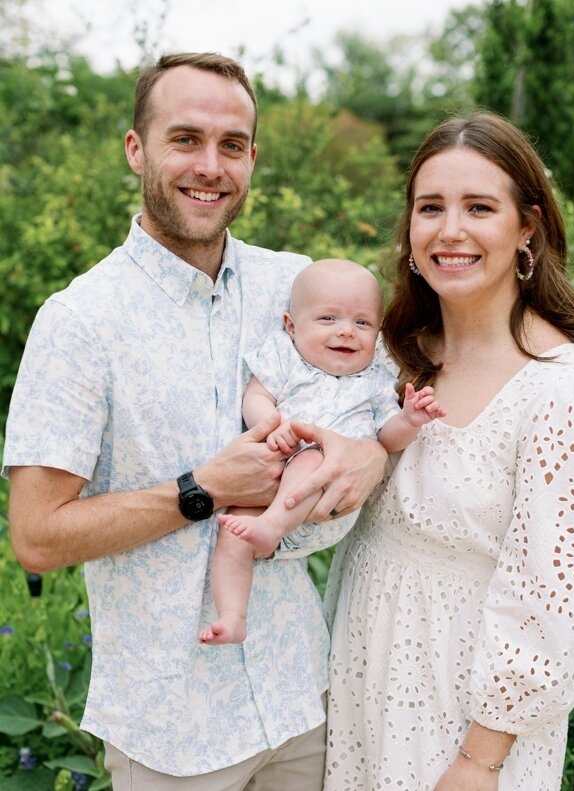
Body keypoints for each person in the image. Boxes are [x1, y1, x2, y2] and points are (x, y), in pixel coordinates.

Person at [2, 53, 389, 790]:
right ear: (136, 149)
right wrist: (200, 488)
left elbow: (387, 399)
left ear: (252, 158)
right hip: (171, 734)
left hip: (301, 695)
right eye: (185, 139)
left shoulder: (300, 286)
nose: (210, 165)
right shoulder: (80, 322)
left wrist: (371, 456)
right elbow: (36, 535)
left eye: (232, 144)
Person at [324, 111, 574, 791]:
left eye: (479, 207)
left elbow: (555, 606)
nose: (451, 230)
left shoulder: (566, 397)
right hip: (357, 677)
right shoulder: (389, 356)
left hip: (464, 718)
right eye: (430, 207)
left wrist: (479, 761)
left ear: (527, 227)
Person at [198, 258, 445, 645]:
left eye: (362, 323)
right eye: (328, 319)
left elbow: (387, 437)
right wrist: (273, 425)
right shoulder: (285, 357)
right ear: (291, 326)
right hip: (267, 488)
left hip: (327, 501)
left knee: (315, 456)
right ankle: (232, 616)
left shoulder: (374, 381)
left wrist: (411, 420)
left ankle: (272, 526)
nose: (347, 332)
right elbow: (256, 396)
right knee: (233, 536)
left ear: (377, 333)